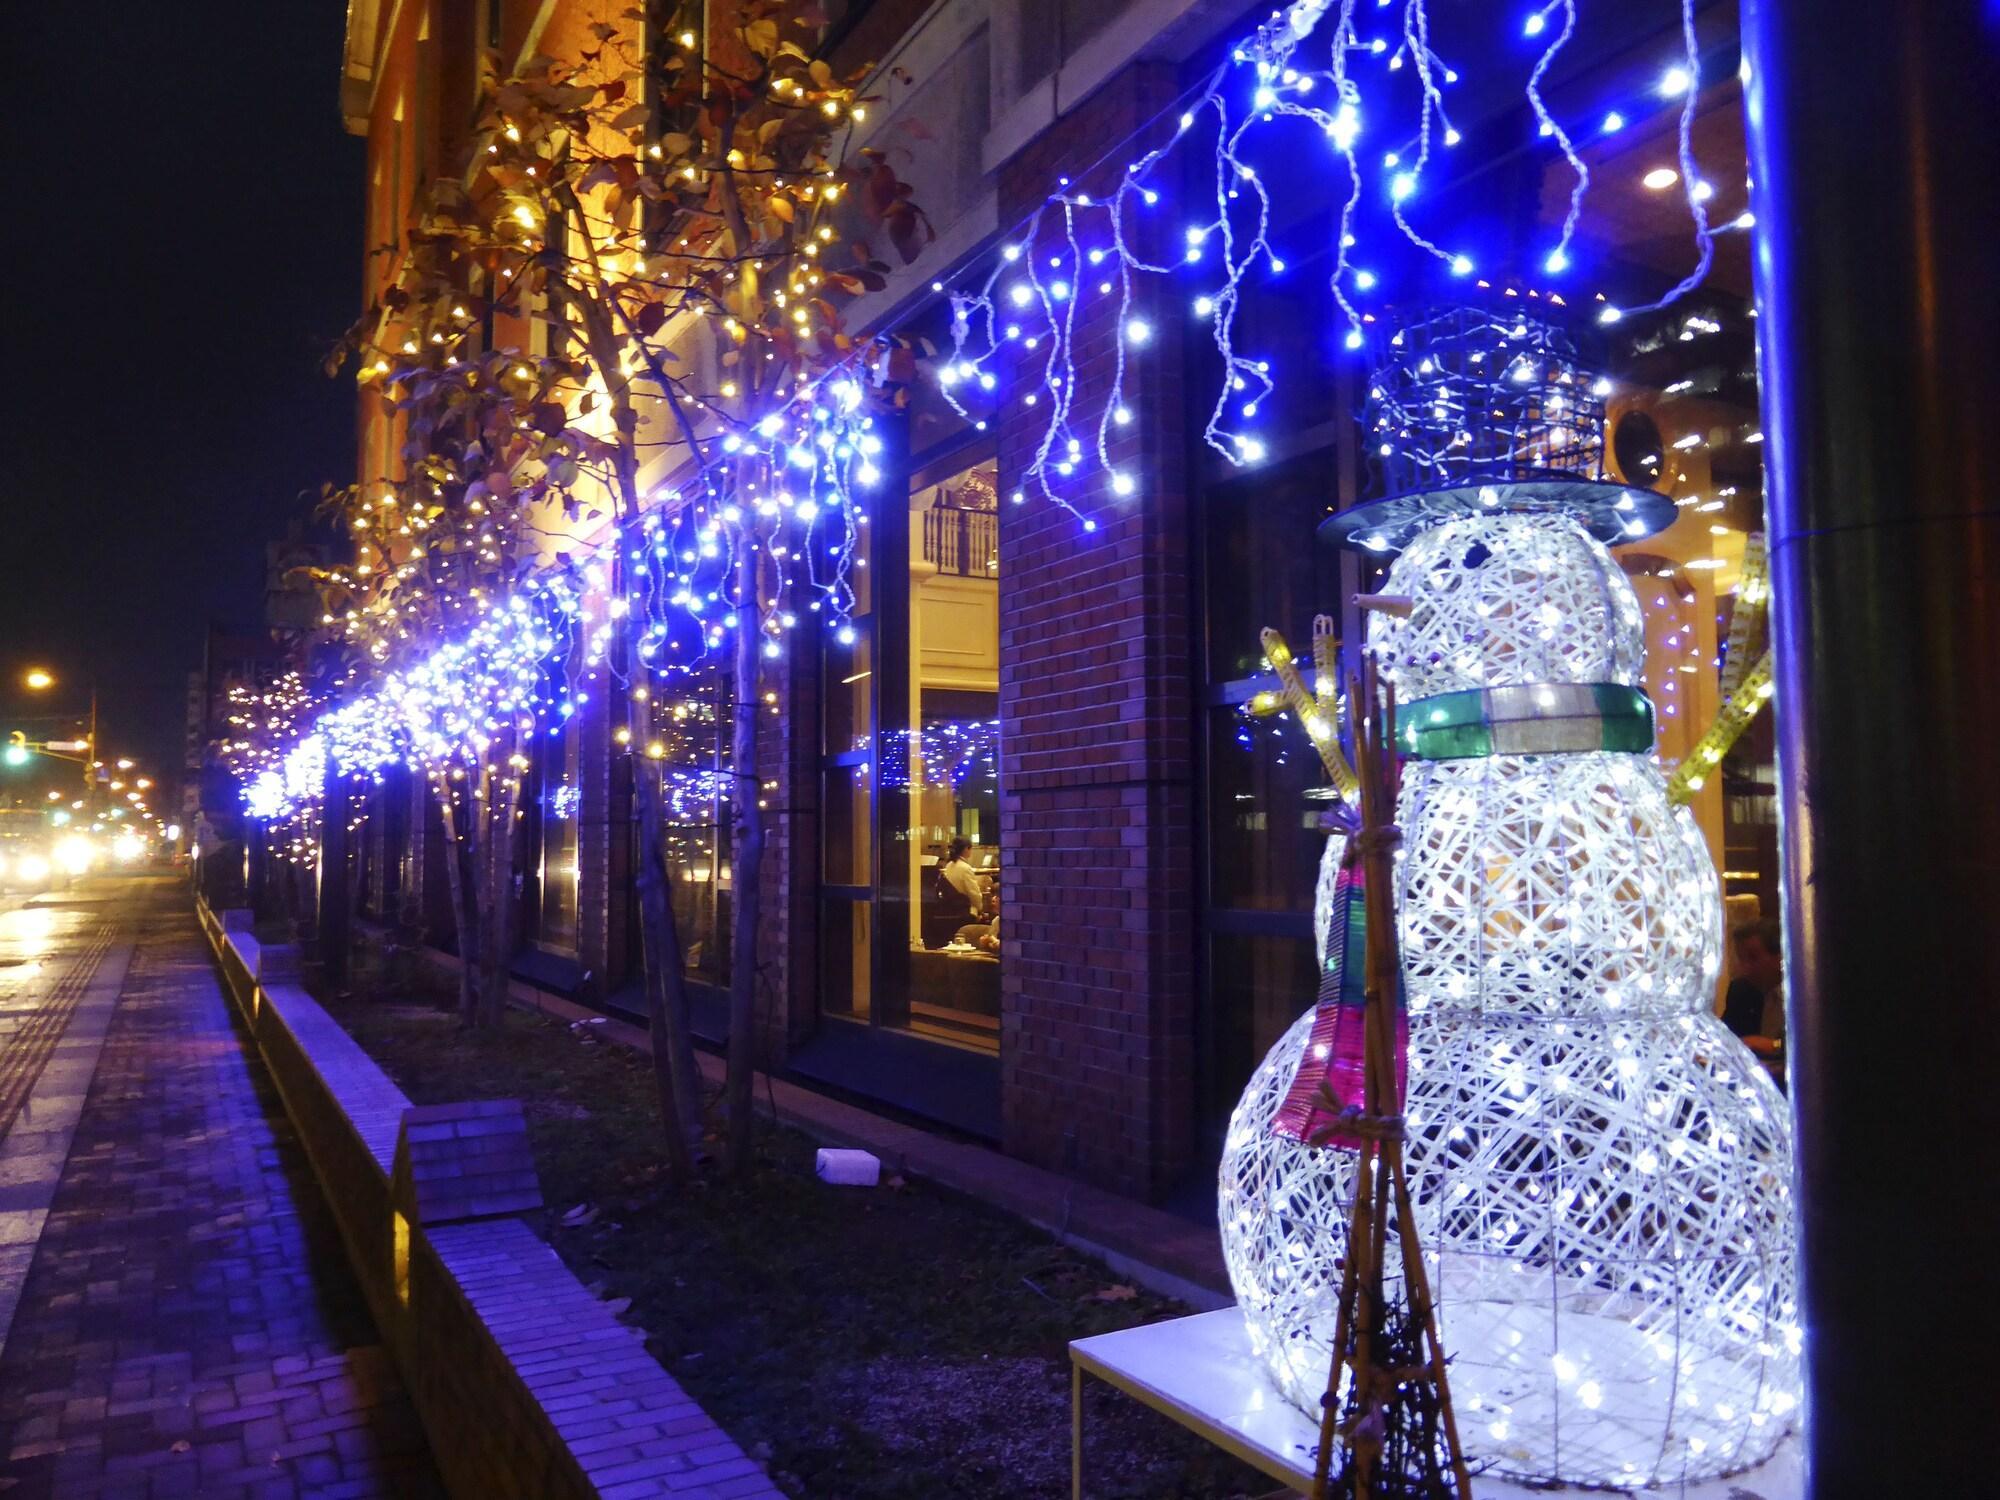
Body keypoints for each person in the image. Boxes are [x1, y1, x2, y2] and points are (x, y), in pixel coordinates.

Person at [1722, 916, 1785, 1067]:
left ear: (1780, 956)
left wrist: (1774, 1045)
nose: (1745, 967)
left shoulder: (1805, 996)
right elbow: (1726, 1036)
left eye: (1753, 958)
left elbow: (1817, 1044)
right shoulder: (1741, 991)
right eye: (1741, 958)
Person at [937, 837, 987, 920]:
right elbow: (974, 894)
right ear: (966, 849)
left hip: (951, 909)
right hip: (965, 910)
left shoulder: (949, 865)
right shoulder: (965, 868)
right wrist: (981, 908)